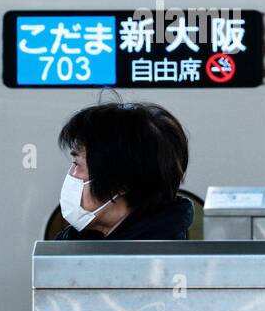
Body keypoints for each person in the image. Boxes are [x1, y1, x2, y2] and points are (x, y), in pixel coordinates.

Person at [54, 100, 194, 240]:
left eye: (76, 163)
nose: (71, 174)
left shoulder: (157, 258)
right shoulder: (75, 243)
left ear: (120, 182)